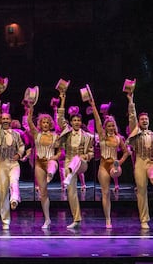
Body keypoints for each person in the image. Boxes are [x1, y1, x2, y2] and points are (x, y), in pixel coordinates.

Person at [89, 97, 128, 229]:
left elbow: (126, 152)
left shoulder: (118, 138)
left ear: (115, 126)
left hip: (114, 164)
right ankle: (108, 219)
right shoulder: (102, 136)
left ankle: (116, 168)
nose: (111, 127)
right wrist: (94, 106)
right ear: (105, 127)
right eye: (109, 125)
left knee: (116, 170)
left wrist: (120, 161)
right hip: (103, 165)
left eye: (113, 125)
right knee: (105, 193)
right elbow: (98, 121)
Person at [57, 91, 94, 229]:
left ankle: (68, 176)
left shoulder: (87, 136)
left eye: (79, 120)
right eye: (74, 120)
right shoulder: (66, 132)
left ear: (81, 122)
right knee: (71, 192)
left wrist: (87, 156)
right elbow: (60, 118)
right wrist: (62, 101)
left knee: (78, 157)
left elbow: (91, 153)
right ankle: (76, 219)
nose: (77, 122)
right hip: (68, 162)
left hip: (82, 164)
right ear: (71, 122)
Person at [0, 88, 25, 230]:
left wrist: (19, 154)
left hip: (14, 163)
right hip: (2, 164)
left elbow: (21, 146)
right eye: (3, 119)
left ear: (10, 120)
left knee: (14, 180)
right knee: (3, 192)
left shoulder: (16, 134)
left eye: (7, 119)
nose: (4, 120)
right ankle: (5, 219)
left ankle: (15, 198)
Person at [26, 101, 61, 229]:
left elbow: (60, 152)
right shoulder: (37, 134)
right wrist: (31, 108)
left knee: (52, 164)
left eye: (47, 122)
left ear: (50, 124)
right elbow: (29, 121)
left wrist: (55, 157)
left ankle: (50, 174)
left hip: (50, 161)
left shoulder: (55, 136)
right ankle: (47, 219)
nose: (45, 124)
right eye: (43, 122)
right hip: (39, 163)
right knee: (43, 192)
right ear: (40, 124)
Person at [126, 91, 153, 229]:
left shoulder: (152, 134)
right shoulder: (135, 134)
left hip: (151, 163)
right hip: (140, 162)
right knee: (141, 191)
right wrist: (131, 100)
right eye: (142, 119)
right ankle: (144, 219)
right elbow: (132, 118)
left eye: (146, 119)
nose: (144, 121)